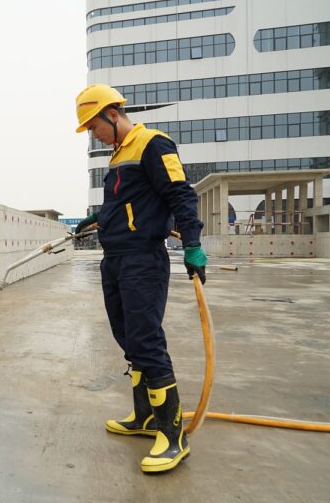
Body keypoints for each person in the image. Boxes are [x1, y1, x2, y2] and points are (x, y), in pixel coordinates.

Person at [73, 83, 208, 473]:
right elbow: (127, 203)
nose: (94, 135)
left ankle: (173, 436)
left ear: (113, 115)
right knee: (129, 340)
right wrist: (99, 218)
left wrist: (192, 244)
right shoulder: (119, 155)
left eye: (94, 126)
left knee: (146, 340)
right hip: (115, 259)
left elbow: (180, 195)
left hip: (142, 260)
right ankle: (145, 417)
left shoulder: (153, 144)